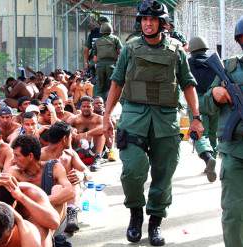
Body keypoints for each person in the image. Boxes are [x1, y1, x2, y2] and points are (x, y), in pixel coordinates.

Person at [103, 1, 204, 245]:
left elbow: (188, 84)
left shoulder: (177, 50)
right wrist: (106, 116)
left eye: (153, 20)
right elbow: (116, 82)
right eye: (144, 19)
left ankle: (155, 222)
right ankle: (136, 213)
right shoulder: (129, 48)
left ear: (162, 23)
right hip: (134, 118)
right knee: (132, 171)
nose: (148, 23)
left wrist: (196, 118)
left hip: (165, 120)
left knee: (163, 175)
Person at [203, 16, 243, 247]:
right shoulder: (228, 68)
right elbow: (207, 105)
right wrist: (215, 95)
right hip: (235, 151)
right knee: (234, 213)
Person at [0, 174, 60, 247]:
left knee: (40, 227)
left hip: (30, 237)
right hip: (1, 234)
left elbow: (54, 223)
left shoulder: (31, 192)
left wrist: (21, 198)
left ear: (14, 203)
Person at [41, 122, 91, 234]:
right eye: (70, 136)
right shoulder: (40, 155)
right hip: (45, 194)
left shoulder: (70, 154)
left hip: (66, 196)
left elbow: (88, 173)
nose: (72, 139)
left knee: (74, 179)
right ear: (65, 138)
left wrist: (81, 175)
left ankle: (71, 211)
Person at [8, 135, 74, 220]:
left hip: (53, 219)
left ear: (30, 156)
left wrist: (39, 203)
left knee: (58, 188)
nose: (13, 160)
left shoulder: (54, 167)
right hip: (27, 222)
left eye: (17, 156)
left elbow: (70, 192)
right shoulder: (13, 172)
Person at [188, 36, 218, 182]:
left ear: (192, 49)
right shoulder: (214, 62)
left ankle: (208, 158)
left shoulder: (188, 64)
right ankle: (213, 159)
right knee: (213, 132)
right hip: (214, 100)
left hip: (196, 102)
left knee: (199, 133)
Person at [67, 96, 105, 172]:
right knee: (67, 134)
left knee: (101, 134)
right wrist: (72, 130)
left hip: (94, 149)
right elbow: (63, 127)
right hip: (78, 149)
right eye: (84, 106)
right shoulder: (74, 118)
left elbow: (104, 128)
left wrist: (87, 134)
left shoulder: (99, 118)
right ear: (80, 107)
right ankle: (69, 158)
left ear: (93, 107)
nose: (86, 108)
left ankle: (97, 159)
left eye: (88, 106)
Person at [93, 22, 122, 101]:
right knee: (111, 86)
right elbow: (121, 52)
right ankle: (110, 103)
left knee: (99, 86)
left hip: (100, 66)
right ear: (111, 30)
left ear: (101, 31)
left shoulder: (97, 41)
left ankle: (98, 103)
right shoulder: (115, 39)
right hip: (112, 65)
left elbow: (95, 58)